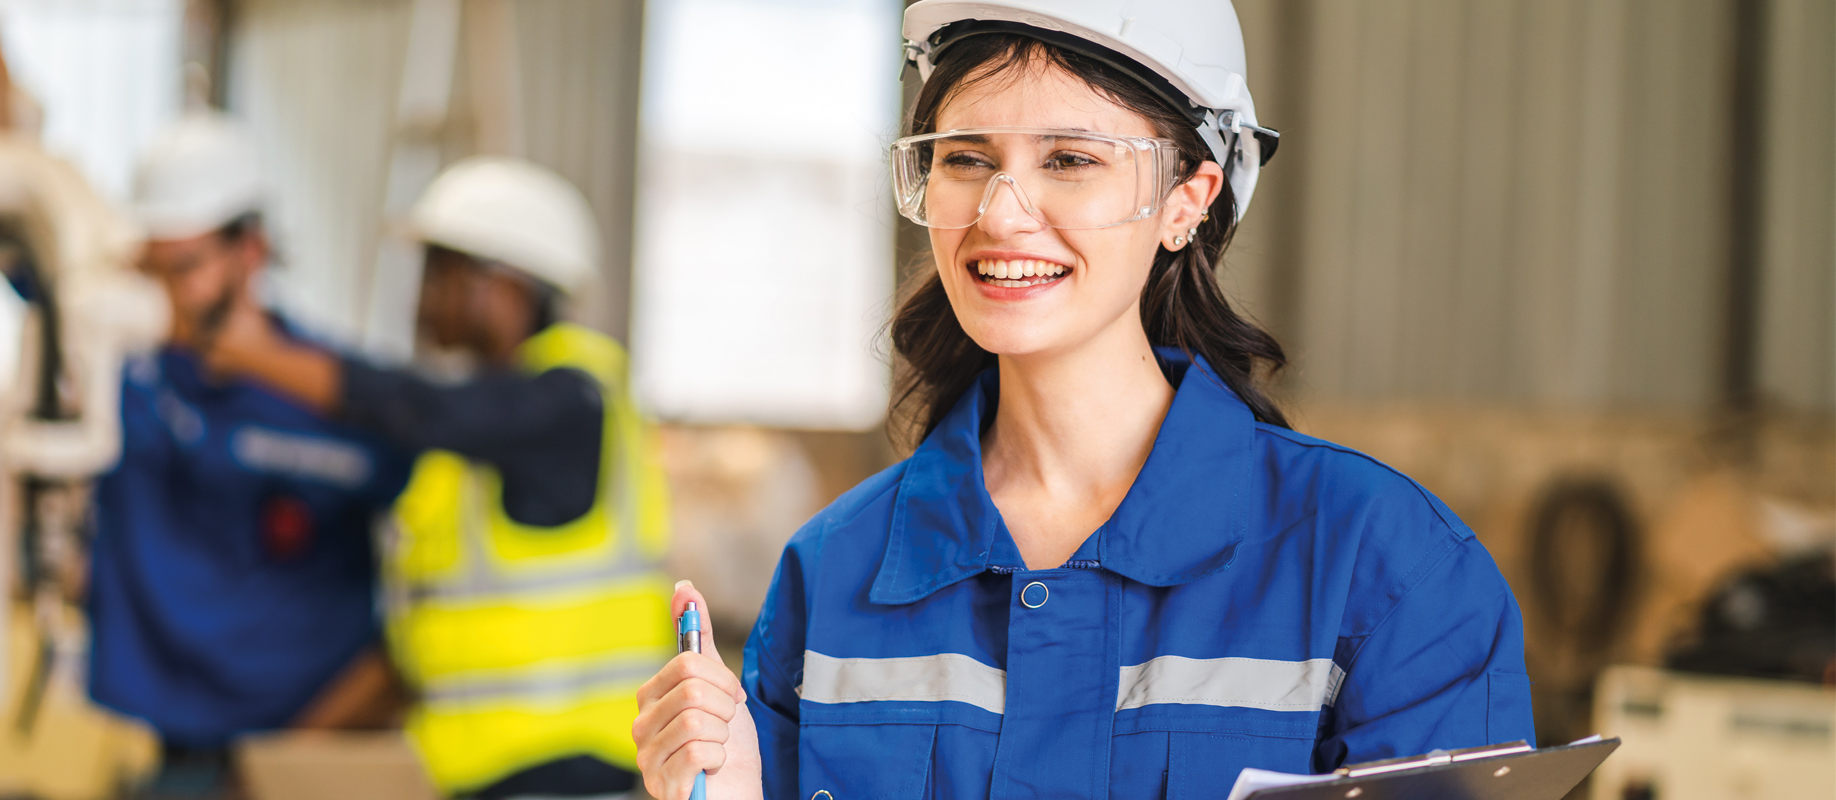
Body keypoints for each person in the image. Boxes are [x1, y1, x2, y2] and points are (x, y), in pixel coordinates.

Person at [633, 2, 1536, 799]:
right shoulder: (834, 575)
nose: (1000, 211)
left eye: (1068, 159)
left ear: (1188, 199)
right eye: (964, 159)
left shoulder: (1382, 566)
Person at [202, 157, 674, 800]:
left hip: (577, 773)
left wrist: (252, 352)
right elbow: (414, 650)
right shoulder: (460, 463)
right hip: (480, 778)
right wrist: (277, 761)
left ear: (504, 287)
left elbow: (417, 405)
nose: (421, 298)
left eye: (440, 274)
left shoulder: (568, 405)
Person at [88, 113, 414, 787]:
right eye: (152, 268)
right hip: (175, 755)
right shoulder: (129, 381)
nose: (167, 294)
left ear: (252, 250)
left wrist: (292, 760)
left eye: (187, 267)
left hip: (307, 761)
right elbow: (6, 224)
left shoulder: (338, 404)